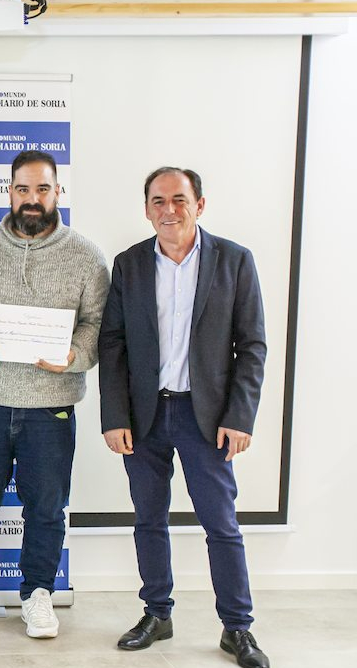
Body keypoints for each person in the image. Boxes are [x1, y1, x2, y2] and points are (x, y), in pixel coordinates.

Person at [99, 167, 269, 668]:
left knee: (221, 524)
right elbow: (113, 344)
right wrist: (114, 415)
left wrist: (240, 416)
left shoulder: (234, 261)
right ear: (146, 207)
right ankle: (157, 612)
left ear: (200, 204)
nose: (168, 210)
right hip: (145, 415)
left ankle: (237, 628)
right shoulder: (129, 264)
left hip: (207, 417)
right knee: (149, 518)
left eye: (179, 199)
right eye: (158, 201)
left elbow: (252, 345)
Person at [0, 150, 108, 639]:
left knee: (47, 507)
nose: (31, 199)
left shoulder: (85, 255)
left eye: (42, 189)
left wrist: (74, 354)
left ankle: (38, 593)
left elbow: (98, 324)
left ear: (58, 192)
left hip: (51, 406)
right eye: (22, 189)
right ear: (9, 192)